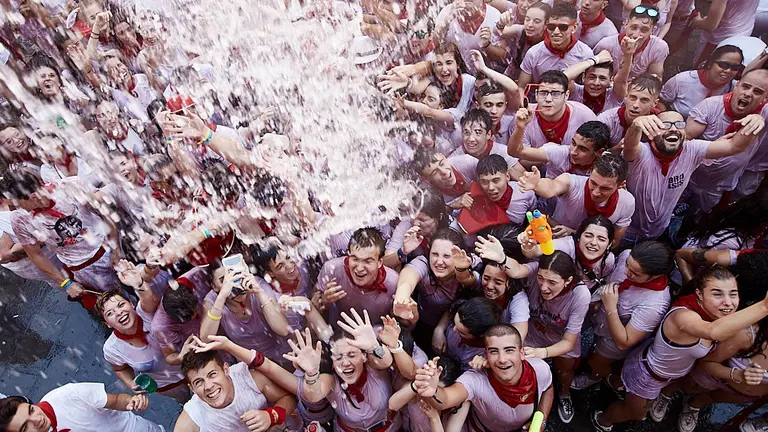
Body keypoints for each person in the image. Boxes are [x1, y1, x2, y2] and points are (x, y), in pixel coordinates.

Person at [592, 266, 768, 431]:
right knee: (636, 414)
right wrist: (764, 306)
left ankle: (617, 382)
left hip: (665, 373)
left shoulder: (716, 314)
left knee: (630, 394)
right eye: (717, 294)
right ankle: (602, 421)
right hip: (649, 376)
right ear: (699, 294)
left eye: (733, 294)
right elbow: (712, 332)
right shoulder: (684, 317)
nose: (728, 303)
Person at [474, 236, 589, 424]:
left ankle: (564, 394)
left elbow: (569, 342)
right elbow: (518, 269)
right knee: (524, 369)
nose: (543, 286)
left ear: (568, 281)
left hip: (560, 339)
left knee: (564, 371)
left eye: (552, 283)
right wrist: (502, 259)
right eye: (541, 279)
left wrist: (542, 353)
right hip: (533, 333)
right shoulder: (537, 270)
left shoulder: (580, 295)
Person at [621, 110, 764, 248]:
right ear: (652, 131)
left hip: (659, 230)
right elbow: (629, 146)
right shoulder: (641, 154)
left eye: (679, 124)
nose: (673, 128)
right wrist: (636, 125)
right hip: (627, 232)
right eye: (665, 125)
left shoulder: (692, 150)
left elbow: (735, 146)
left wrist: (755, 123)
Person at [0, 169, 121, 310]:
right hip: (84, 267)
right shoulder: (19, 218)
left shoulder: (69, 186)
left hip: (110, 245)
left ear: (32, 196)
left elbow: (105, 210)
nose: (15, 208)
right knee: (114, 303)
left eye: (17, 204)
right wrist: (66, 283)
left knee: (143, 284)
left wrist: (116, 247)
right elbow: (35, 255)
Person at [413, 324, 555, 432]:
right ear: (486, 355)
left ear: (522, 352)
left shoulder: (539, 369)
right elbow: (446, 399)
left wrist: (541, 418)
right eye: (494, 352)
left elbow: (548, 387)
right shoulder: (475, 380)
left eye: (509, 350)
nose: (502, 359)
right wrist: (433, 391)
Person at [571, 241, 673, 390]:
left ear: (654, 276)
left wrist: (611, 307)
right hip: (597, 319)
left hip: (611, 340)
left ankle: (594, 378)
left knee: (597, 362)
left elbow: (624, 341)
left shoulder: (655, 304)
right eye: (627, 265)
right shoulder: (627, 255)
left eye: (635, 274)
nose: (626, 272)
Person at [282, 309, 402, 432]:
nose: (345, 363)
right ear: (333, 364)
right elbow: (313, 395)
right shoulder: (332, 381)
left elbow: (386, 361)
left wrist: (374, 346)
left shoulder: (374, 367)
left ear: (364, 356)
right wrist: (311, 373)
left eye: (351, 355)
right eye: (338, 358)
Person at [96, 267, 190, 403]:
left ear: (132, 305)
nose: (119, 312)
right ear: (107, 324)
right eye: (110, 313)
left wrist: (138, 283)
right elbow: (119, 368)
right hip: (167, 383)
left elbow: (148, 298)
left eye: (121, 305)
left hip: (191, 362)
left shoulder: (146, 313)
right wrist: (130, 384)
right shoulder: (112, 349)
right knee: (185, 400)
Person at [684, 68, 768, 216]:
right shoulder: (710, 106)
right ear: (737, 85)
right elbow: (685, 139)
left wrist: (759, 119)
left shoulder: (764, 114)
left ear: (764, 98)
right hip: (690, 178)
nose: (748, 93)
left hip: (720, 187)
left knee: (702, 217)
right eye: (746, 86)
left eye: (757, 91)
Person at [173, 344, 298, 431]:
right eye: (199, 382)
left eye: (212, 375)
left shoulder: (250, 377)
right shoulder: (191, 418)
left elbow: (290, 398)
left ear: (226, 370)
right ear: (192, 389)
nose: (208, 386)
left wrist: (271, 416)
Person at [519, 153, 635, 245]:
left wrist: (575, 234)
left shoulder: (627, 202)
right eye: (593, 183)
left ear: (621, 185)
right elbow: (552, 187)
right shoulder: (572, 183)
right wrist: (537, 184)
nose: (596, 192)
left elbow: (614, 242)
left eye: (605, 188)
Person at [199, 260, 293, 366]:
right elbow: (206, 339)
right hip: (250, 363)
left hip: (281, 353)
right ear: (214, 287)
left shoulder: (256, 284)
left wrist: (259, 292)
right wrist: (222, 296)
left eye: (236, 275)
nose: (233, 283)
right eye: (224, 281)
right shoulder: (212, 299)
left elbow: (283, 330)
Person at [392, 229, 479, 334]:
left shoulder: (468, 262)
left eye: (446, 256)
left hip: (454, 328)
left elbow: (471, 282)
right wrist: (402, 298)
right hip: (421, 320)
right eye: (435, 254)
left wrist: (461, 269)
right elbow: (407, 280)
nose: (439, 262)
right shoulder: (423, 263)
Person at [316, 227, 398, 327]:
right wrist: (324, 300)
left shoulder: (393, 283)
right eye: (355, 259)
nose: (359, 268)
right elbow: (314, 304)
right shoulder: (332, 270)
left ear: (379, 262)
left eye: (368, 261)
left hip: (375, 335)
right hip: (338, 330)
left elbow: (406, 325)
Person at [522, 215, 617, 294]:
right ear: (579, 236)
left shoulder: (608, 260)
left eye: (601, 239)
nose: (593, 242)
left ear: (609, 244)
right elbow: (535, 252)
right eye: (588, 236)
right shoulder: (566, 246)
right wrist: (528, 245)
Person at [0, 385, 161, 432]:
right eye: (25, 427)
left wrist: (131, 402)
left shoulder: (68, 394)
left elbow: (116, 400)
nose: (37, 420)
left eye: (31, 410)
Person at [508, 113, 611, 179]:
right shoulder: (559, 152)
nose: (573, 152)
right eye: (573, 143)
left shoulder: (609, 165)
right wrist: (520, 127)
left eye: (583, 149)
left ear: (599, 152)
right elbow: (515, 152)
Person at [518, 3, 594, 91]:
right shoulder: (534, 53)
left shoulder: (585, 53)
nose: (556, 32)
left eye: (563, 27)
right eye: (551, 26)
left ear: (574, 27)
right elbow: (521, 87)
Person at [452, 154, 536, 232]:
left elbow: (534, 214)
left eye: (496, 180)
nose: (490, 188)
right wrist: (454, 205)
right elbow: (446, 213)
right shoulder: (473, 197)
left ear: (507, 177)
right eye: (484, 182)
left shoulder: (524, 192)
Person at [518, 70, 598, 149]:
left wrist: (553, 153)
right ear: (536, 94)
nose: (548, 99)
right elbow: (519, 158)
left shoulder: (585, 116)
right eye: (543, 93)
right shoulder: (523, 117)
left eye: (555, 94)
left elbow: (594, 153)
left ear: (566, 95)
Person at [660, 45, 744, 118]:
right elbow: (661, 101)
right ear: (710, 63)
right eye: (723, 65)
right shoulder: (681, 80)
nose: (728, 71)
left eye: (735, 67)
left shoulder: (735, 88)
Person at [593, 4, 669, 79]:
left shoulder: (659, 47)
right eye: (634, 27)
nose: (636, 34)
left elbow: (653, 80)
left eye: (644, 30)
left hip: (638, 89)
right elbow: (594, 75)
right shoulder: (606, 45)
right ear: (626, 23)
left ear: (653, 30)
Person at [434, 0, 504, 74]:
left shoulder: (494, 15)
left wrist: (487, 45)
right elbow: (436, 44)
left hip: (487, 78)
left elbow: (504, 59)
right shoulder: (447, 12)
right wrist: (447, 21)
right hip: (455, 76)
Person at [385, 190, 450, 268]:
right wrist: (403, 251)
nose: (415, 223)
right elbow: (385, 262)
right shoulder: (406, 225)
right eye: (413, 217)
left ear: (439, 216)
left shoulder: (451, 230)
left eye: (422, 220)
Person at [433, 297, 501, 369]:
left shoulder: (483, 355)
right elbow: (449, 313)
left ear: (481, 335)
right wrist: (439, 329)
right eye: (454, 323)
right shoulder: (461, 306)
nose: (453, 329)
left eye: (461, 332)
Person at [449, 109, 522, 175]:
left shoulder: (503, 152)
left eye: (478, 132)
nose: (471, 139)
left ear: (488, 134)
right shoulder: (456, 158)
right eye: (466, 132)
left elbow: (523, 179)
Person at [598, 73, 662, 148]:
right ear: (626, 96)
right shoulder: (607, 119)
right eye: (633, 97)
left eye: (644, 100)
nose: (635, 105)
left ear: (655, 103)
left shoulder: (661, 121)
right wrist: (616, 150)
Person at [563, 45, 631, 115]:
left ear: (610, 80)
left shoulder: (614, 96)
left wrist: (629, 54)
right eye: (592, 77)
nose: (596, 83)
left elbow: (622, 80)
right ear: (584, 77)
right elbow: (563, 78)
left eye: (602, 78)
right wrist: (595, 60)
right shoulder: (575, 92)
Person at [690, 0, 760, 64]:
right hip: (744, 29)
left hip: (719, 38)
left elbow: (710, 26)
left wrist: (696, 21)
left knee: (703, 69)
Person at [412, 147, 478, 208]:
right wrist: (452, 205)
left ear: (444, 157)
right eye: (435, 172)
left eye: (442, 164)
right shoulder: (429, 196)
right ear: (426, 179)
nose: (444, 172)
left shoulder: (467, 163)